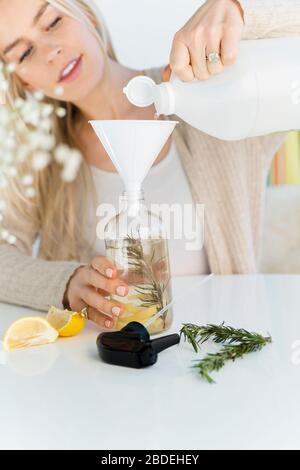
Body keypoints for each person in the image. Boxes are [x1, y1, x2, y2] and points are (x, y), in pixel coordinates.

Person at [0, 0, 299, 329]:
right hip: (104, 368)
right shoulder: (41, 157)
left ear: (86, 14)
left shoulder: (212, 92)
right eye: (24, 53)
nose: (51, 51)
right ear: (23, 80)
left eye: (53, 22)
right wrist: (65, 283)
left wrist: (239, 10)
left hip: (227, 350)